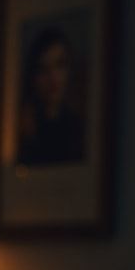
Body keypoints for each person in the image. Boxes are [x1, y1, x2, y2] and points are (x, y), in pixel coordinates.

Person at [16, 25, 86, 166]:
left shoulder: (76, 128)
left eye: (60, 65)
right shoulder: (24, 128)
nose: (52, 77)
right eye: (43, 69)